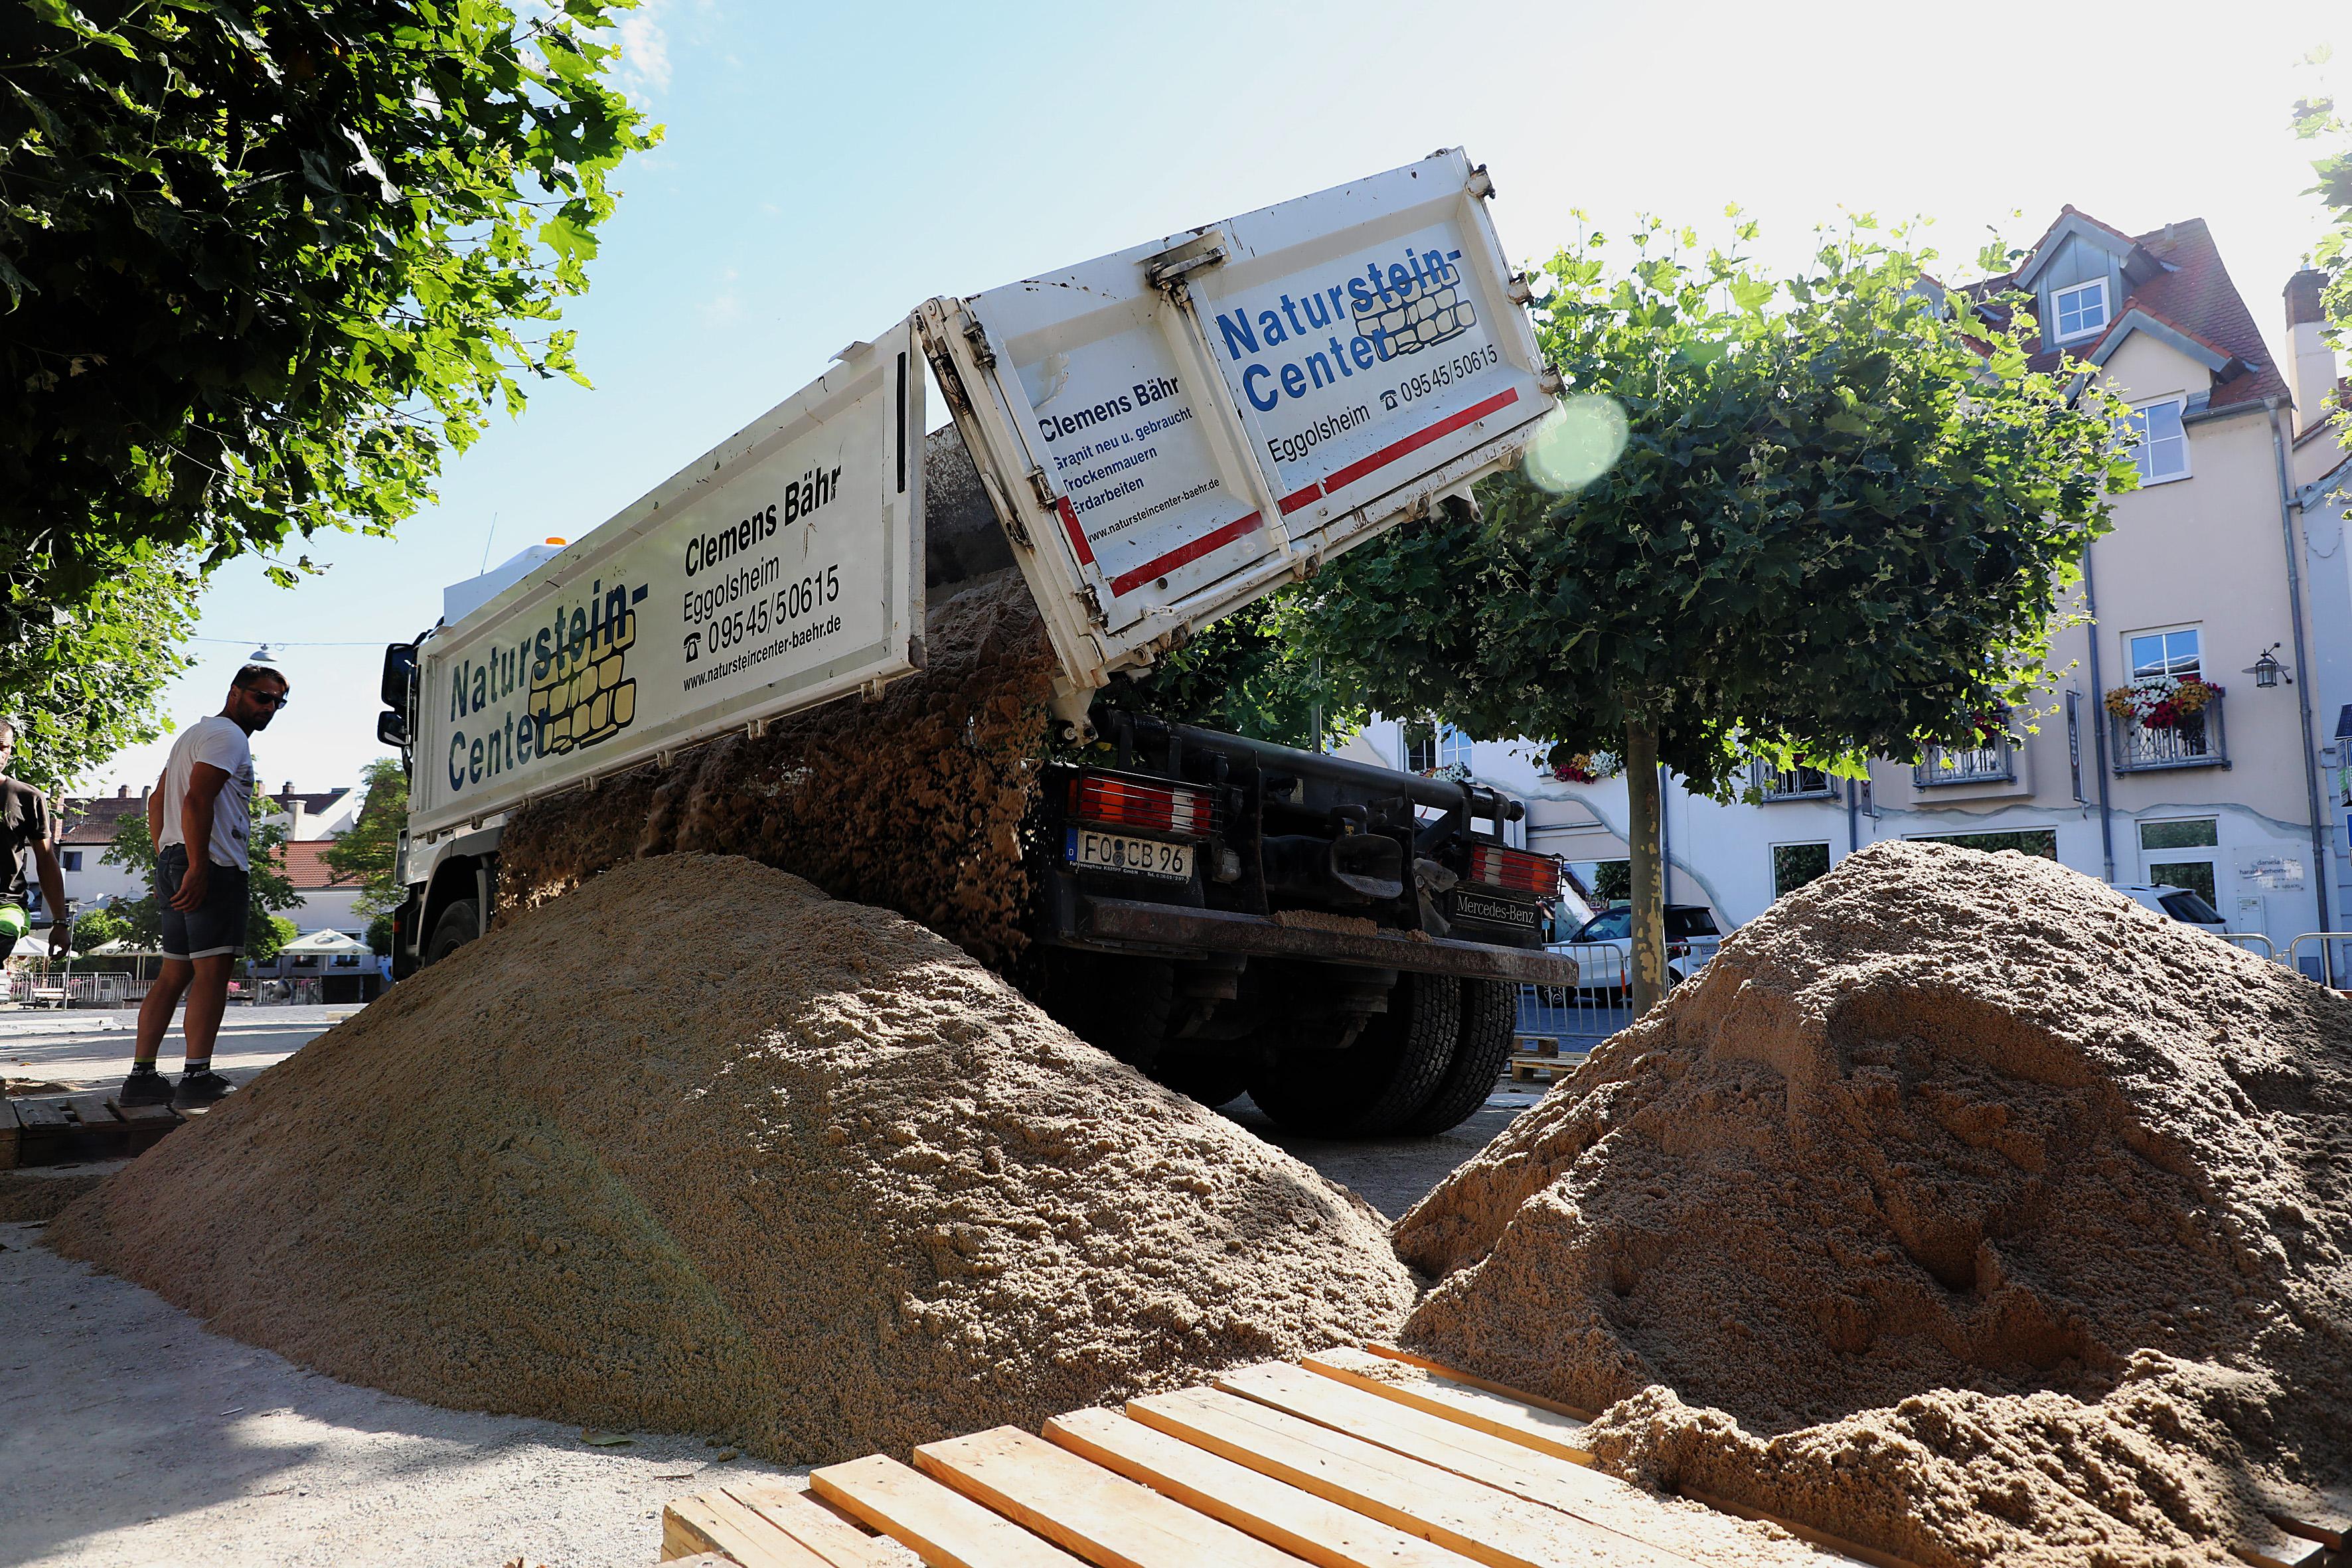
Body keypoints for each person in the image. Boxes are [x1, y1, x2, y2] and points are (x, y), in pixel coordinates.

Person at [121, 665, 289, 1109]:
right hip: (212, 865)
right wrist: (197, 867)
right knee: (213, 972)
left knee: (174, 972)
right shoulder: (229, 737)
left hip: (176, 858)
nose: (270, 708)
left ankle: (142, 1078)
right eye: (261, 697)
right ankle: (197, 1077)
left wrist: (166, 860)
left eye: (278, 702)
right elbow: (197, 799)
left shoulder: (193, 734)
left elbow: (157, 801)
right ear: (235, 693)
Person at [0, 720, 71, 965]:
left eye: (3, 747)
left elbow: (46, 859)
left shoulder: (27, 797)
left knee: (4, 929)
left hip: (6, 906)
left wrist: (60, 922)